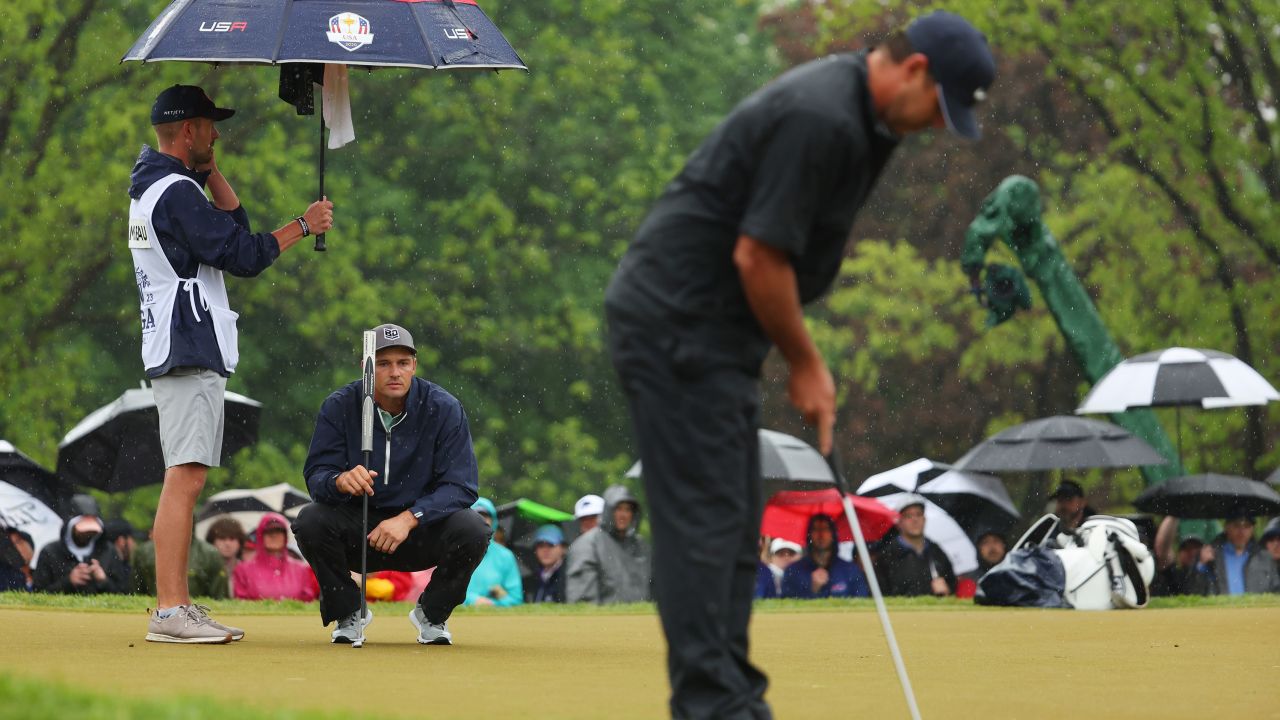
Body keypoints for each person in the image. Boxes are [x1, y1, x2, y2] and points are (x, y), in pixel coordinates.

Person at [603, 10, 994, 716]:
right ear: (914, 71)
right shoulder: (824, 117)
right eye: (940, 109)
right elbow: (760, 255)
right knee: (703, 527)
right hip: (674, 325)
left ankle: (733, 696)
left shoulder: (870, 121)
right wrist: (806, 363)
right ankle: (713, 704)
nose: (938, 126)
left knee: (733, 526)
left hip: (719, 337)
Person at [130, 84, 334, 644]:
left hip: (181, 344)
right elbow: (245, 254)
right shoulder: (174, 193)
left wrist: (212, 169)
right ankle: (171, 610)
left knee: (184, 475)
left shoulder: (164, 188)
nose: (217, 133)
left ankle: (175, 607)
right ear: (189, 130)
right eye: (210, 126)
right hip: (188, 343)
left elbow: (233, 226)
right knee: (186, 478)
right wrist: (303, 223)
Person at [295, 323, 490, 646]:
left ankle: (432, 613)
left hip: (419, 530)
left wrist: (411, 517)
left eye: (402, 362)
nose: (394, 372)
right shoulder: (340, 406)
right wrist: (339, 481)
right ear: (366, 368)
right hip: (359, 529)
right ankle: (348, 612)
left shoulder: (443, 408)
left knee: (474, 528)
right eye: (383, 364)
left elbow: (462, 486)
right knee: (310, 520)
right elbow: (317, 475)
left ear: (414, 364)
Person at [566, 484, 651, 604]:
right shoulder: (586, 546)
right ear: (608, 511)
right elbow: (583, 604)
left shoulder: (641, 545)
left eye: (628, 509)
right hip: (605, 621)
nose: (623, 514)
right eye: (618, 509)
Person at [33, 494, 130, 595]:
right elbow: (38, 594)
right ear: (70, 527)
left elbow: (124, 594)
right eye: (83, 531)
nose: (88, 534)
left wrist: (103, 580)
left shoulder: (108, 551)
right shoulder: (50, 552)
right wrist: (68, 582)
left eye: (93, 531)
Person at [873, 495, 956, 597]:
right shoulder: (887, 556)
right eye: (908, 516)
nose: (915, 520)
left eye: (918, 514)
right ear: (899, 522)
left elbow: (953, 585)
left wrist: (947, 590)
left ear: (924, 519)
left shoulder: (937, 551)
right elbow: (881, 594)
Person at [231, 513, 319, 601]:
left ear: (285, 536)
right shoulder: (243, 570)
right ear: (260, 535)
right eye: (269, 531)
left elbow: (308, 602)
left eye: (279, 530)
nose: (274, 535)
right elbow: (240, 605)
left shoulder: (301, 570)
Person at [781, 514, 870, 599]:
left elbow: (861, 604)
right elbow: (786, 607)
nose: (821, 534)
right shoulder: (793, 571)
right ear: (809, 534)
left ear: (833, 534)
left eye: (825, 529)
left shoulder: (851, 570)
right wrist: (812, 590)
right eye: (816, 529)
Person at [131, 533, 230, 601]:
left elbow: (219, 596)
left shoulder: (209, 553)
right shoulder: (144, 552)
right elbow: (137, 590)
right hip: (154, 611)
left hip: (197, 613)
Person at [463, 498, 524, 607]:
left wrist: (492, 603)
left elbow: (516, 599)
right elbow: (443, 592)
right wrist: (472, 600)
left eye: (486, 516)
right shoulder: (455, 552)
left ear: (493, 521)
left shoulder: (505, 556)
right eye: (476, 515)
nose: (481, 520)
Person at [1197, 509, 1274, 595]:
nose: (1242, 531)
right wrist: (1201, 565)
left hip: (1255, 607)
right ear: (1226, 527)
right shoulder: (1212, 554)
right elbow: (1195, 591)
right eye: (1237, 525)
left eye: (1246, 526)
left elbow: (1276, 590)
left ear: (1252, 529)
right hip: (1221, 608)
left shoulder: (1264, 557)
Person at [1150, 517, 1208, 596]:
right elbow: (1162, 551)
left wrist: (1202, 566)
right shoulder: (1175, 575)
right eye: (1187, 549)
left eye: (1196, 549)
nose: (1192, 553)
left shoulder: (1213, 571)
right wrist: (1174, 515)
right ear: (1179, 554)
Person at [524, 523, 568, 603]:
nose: (545, 550)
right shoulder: (532, 580)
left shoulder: (569, 577)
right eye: (541, 545)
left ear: (563, 548)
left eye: (551, 545)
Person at [204, 516, 247, 596]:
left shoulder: (247, 570)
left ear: (240, 542)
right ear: (212, 541)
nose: (227, 544)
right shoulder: (204, 569)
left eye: (232, 538)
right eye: (222, 538)